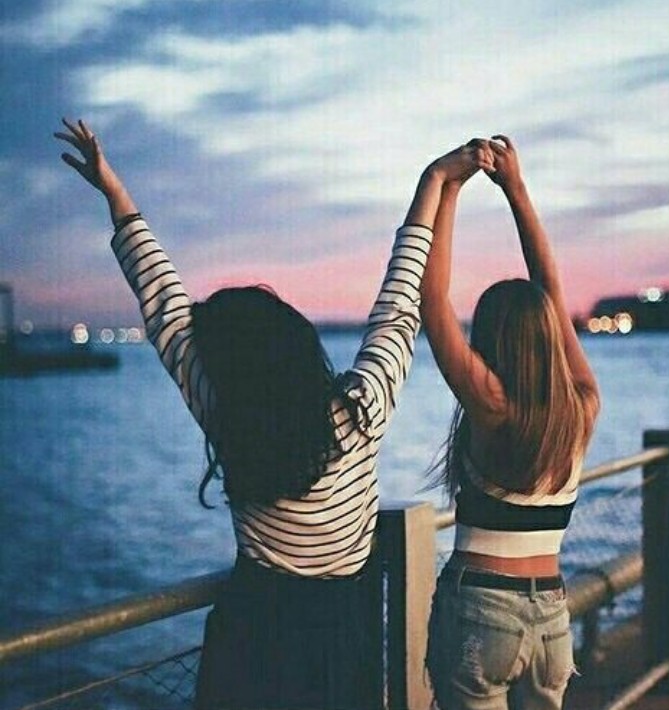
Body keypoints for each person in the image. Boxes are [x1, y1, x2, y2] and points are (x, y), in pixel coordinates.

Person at [54, 118, 494, 709]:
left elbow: (162, 304)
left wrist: (115, 194)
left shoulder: (228, 416)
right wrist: (435, 180)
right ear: (297, 343)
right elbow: (399, 303)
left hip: (249, 639)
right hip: (337, 644)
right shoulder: (360, 414)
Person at [421, 135, 601, 710]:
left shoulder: (492, 409)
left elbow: (432, 300)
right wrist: (516, 191)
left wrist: (445, 185)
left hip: (482, 609)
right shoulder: (583, 410)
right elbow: (553, 292)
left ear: (490, 339)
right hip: (552, 616)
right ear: (550, 333)